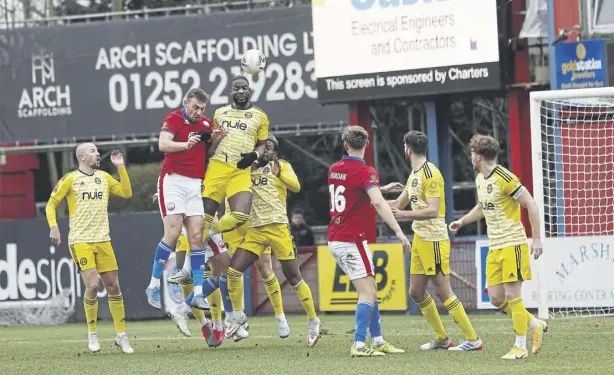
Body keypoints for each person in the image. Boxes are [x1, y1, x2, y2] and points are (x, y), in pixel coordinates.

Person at [167, 75, 270, 340]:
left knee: (234, 232)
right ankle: (227, 321)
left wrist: (256, 155)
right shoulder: (219, 113)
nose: (240, 91)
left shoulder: (260, 116)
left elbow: (263, 144)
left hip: (237, 174)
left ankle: (193, 311)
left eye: (244, 88)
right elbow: (208, 147)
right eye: (236, 88)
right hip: (215, 171)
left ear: (249, 90)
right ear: (231, 91)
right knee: (221, 267)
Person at [449, 134, 547, 360]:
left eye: (471, 153)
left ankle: (520, 347)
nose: (470, 158)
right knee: (495, 298)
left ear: (478, 156)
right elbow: (483, 207)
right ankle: (535, 324)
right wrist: (463, 221)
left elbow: (530, 203)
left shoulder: (505, 177)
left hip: (512, 243)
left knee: (513, 295)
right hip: (494, 246)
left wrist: (537, 238)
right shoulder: (481, 179)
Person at [383, 130, 482, 351]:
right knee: (416, 292)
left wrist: (405, 216)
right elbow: (397, 205)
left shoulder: (431, 174)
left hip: (435, 239)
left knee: (443, 291)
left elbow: (433, 210)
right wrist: (372, 196)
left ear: (408, 149)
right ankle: (442, 338)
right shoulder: (414, 175)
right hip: (420, 238)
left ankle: (473, 339)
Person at [224, 135, 321, 347]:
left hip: (278, 229)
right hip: (256, 232)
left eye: (268, 148)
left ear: (274, 153)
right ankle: (238, 316)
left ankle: (313, 321)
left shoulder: (281, 165)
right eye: (261, 147)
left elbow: (295, 186)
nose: (264, 151)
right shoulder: (246, 169)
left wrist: (280, 175)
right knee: (232, 272)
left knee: (294, 278)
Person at [327, 125, 409, 357]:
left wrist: (380, 188)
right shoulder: (366, 172)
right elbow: (376, 202)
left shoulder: (334, 169)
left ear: (345, 145)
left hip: (336, 237)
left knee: (370, 289)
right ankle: (359, 344)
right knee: (367, 292)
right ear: (366, 144)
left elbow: (352, 191)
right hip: (351, 239)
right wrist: (398, 231)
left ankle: (379, 340)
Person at [45, 144, 133, 354]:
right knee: (92, 285)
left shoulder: (103, 177)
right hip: (80, 240)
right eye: (93, 151)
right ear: (82, 156)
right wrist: (54, 227)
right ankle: (92, 332)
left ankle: (121, 336)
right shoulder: (70, 179)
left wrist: (120, 167)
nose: (98, 154)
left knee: (114, 287)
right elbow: (51, 204)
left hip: (103, 240)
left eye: (97, 151)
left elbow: (126, 192)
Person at [146, 88, 223, 311]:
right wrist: (185, 144)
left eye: (202, 109)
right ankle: (152, 285)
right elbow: (163, 144)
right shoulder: (174, 118)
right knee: (172, 232)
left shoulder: (206, 124)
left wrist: (215, 140)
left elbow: (206, 154)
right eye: (195, 107)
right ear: (185, 103)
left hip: (194, 183)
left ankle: (198, 293)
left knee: (197, 235)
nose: (198, 112)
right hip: (173, 180)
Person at [221, 200, 290, 340]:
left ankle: (280, 316)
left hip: (255, 222)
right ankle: (236, 319)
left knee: (265, 268)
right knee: (232, 271)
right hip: (232, 224)